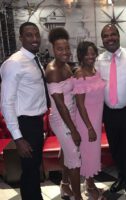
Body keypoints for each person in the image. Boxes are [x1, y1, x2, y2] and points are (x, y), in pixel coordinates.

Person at [0, 22, 48, 200]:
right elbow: (6, 102)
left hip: (35, 123)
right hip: (25, 124)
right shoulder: (14, 63)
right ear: (21, 38)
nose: (35, 39)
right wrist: (18, 138)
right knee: (29, 171)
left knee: (33, 168)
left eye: (36, 34)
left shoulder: (33, 60)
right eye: (29, 35)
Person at [95, 24, 126, 200]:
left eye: (113, 34)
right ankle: (122, 177)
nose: (110, 38)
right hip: (109, 113)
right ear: (102, 40)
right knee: (115, 150)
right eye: (106, 36)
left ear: (118, 36)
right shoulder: (98, 61)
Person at [45, 27, 82, 200]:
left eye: (67, 48)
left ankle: (65, 186)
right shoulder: (52, 70)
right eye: (60, 49)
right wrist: (73, 130)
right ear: (53, 49)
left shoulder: (66, 66)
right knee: (74, 160)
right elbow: (60, 105)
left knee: (67, 152)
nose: (65, 52)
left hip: (71, 115)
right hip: (62, 119)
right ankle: (77, 197)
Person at [73, 41, 106, 200]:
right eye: (87, 53)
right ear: (81, 56)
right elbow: (79, 104)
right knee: (88, 153)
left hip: (96, 118)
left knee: (93, 152)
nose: (91, 56)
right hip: (86, 121)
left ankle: (89, 182)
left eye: (93, 53)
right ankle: (90, 186)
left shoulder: (96, 71)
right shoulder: (80, 74)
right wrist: (89, 127)